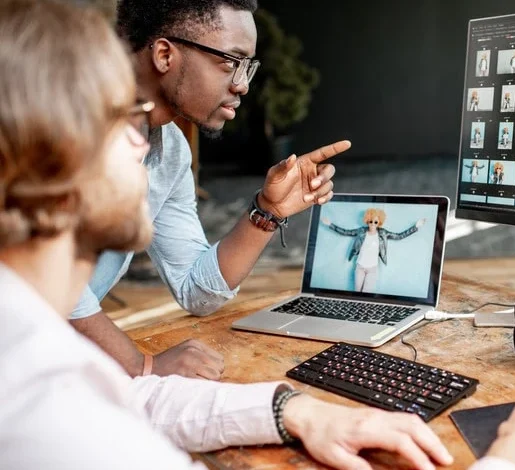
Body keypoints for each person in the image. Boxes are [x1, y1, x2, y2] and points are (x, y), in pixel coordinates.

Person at [0, 2, 515, 470]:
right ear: (49, 163)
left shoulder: (41, 350)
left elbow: (138, 390)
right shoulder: (45, 407)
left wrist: (296, 411)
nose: (146, 141)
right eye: (123, 120)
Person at [67, 0, 351, 380]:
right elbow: (42, 284)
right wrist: (142, 364)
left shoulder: (168, 152)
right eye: (230, 61)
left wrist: (267, 211)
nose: (242, 84)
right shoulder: (62, 125)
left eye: (248, 66)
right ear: (165, 54)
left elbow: (195, 290)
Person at [321, 210, 424, 292]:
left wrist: (415, 227)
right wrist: (330, 224)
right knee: (357, 293)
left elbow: (399, 236)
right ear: (367, 221)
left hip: (372, 269)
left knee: (366, 293)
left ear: (379, 222)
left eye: (376, 222)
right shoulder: (361, 231)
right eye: (371, 221)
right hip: (360, 267)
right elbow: (345, 232)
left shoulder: (383, 233)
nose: (373, 224)